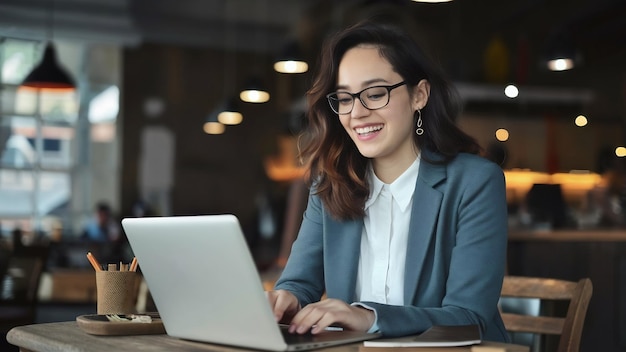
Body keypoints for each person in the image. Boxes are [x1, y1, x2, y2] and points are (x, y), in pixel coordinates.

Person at [266, 21, 509, 342]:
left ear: (419, 95)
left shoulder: (475, 182)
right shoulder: (331, 183)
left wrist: (369, 317)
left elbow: (469, 317)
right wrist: (286, 299)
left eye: (376, 93)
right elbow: (299, 283)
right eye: (344, 98)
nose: (357, 113)